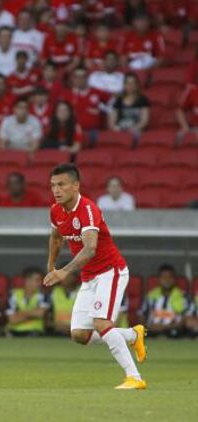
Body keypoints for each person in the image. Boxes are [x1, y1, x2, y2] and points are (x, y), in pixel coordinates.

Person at [43, 163, 147, 389]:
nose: (56, 190)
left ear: (75, 186)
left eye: (61, 184)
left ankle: (134, 378)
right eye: (53, 185)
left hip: (111, 272)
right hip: (90, 277)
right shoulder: (55, 210)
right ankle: (132, 335)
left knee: (101, 323)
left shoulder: (89, 209)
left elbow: (90, 249)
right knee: (80, 334)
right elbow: (56, 238)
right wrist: (51, 266)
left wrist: (64, 271)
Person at [139, 264, 189, 338]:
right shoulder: (150, 296)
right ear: (159, 279)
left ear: (174, 279)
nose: (167, 280)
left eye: (170, 277)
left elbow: (187, 320)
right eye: (164, 277)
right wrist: (146, 327)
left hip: (174, 333)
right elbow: (141, 316)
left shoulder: (183, 297)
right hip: (152, 332)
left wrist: (164, 327)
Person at [6, 267, 49, 336]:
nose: (40, 283)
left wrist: (20, 313)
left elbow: (40, 314)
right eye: (37, 280)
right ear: (27, 281)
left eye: (41, 280)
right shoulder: (13, 295)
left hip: (35, 332)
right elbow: (12, 320)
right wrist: (33, 313)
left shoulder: (43, 295)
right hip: (13, 332)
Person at [108, 73, 150, 139]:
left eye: (133, 83)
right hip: (120, 130)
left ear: (137, 85)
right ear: (124, 85)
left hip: (136, 130)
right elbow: (112, 122)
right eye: (127, 83)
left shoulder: (143, 100)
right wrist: (118, 129)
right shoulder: (118, 100)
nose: (130, 85)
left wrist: (133, 128)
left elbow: (144, 121)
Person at [49, 271, 80, 336]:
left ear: (74, 277)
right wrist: (54, 325)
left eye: (68, 275)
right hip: (57, 332)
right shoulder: (53, 292)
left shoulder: (82, 291)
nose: (64, 278)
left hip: (78, 332)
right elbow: (47, 318)